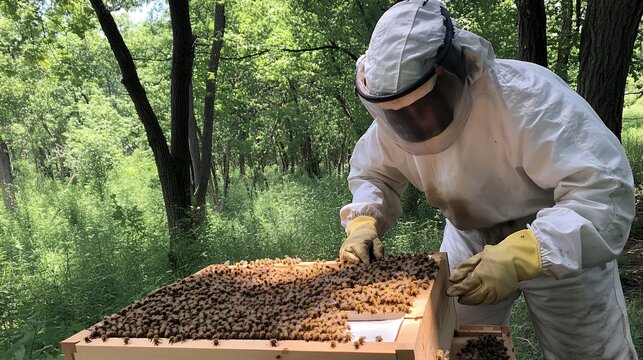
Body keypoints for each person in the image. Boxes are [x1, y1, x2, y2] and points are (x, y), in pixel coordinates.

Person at [338, 1, 638, 359]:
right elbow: (375, 174)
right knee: (452, 340)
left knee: (588, 352)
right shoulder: (392, 121)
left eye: (423, 104)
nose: (414, 121)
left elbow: (604, 194)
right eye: (399, 113)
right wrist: (365, 220)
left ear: (456, 68)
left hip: (557, 233)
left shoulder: (532, 100)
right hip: (469, 239)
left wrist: (524, 254)